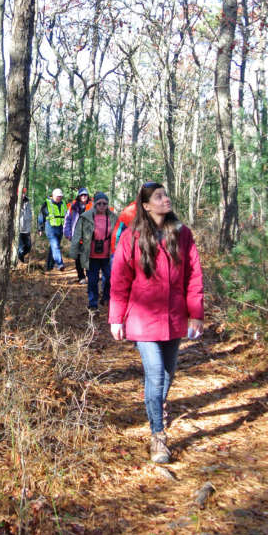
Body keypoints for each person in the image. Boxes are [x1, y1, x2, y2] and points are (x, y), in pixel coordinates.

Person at [108, 182, 204, 464]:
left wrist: (195, 313)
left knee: (168, 375)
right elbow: (119, 280)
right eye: (158, 197)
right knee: (155, 374)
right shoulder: (132, 237)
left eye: (166, 195)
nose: (166, 199)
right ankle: (158, 435)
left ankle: (156, 407)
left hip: (174, 317)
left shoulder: (182, 234)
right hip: (142, 317)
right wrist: (116, 318)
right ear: (146, 205)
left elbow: (194, 275)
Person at [70, 192, 117, 310]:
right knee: (92, 281)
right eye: (99, 203)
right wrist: (74, 252)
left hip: (108, 256)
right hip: (91, 255)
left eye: (104, 203)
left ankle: (106, 297)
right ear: (94, 204)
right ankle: (92, 304)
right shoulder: (86, 217)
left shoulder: (113, 217)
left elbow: (119, 234)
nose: (102, 205)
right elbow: (77, 235)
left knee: (111, 278)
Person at [64, 188, 92, 284]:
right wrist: (67, 233)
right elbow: (67, 220)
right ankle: (81, 277)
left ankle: (89, 275)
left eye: (85, 195)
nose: (84, 197)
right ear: (79, 196)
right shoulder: (73, 207)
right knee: (78, 258)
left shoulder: (92, 206)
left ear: (88, 196)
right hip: (76, 235)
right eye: (82, 195)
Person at [37, 188, 66, 271]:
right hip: (50, 228)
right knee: (55, 246)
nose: (59, 198)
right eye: (57, 196)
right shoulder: (47, 203)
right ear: (53, 196)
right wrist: (40, 228)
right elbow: (41, 216)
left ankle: (49, 266)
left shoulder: (63, 203)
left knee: (53, 248)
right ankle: (60, 264)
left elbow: (67, 216)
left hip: (60, 228)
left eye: (60, 196)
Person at [17, 188, 33, 263]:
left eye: (24, 193)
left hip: (27, 229)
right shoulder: (15, 202)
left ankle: (20, 258)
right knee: (20, 248)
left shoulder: (27, 202)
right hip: (18, 229)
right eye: (21, 193)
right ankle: (20, 263)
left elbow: (29, 214)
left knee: (28, 247)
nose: (23, 194)